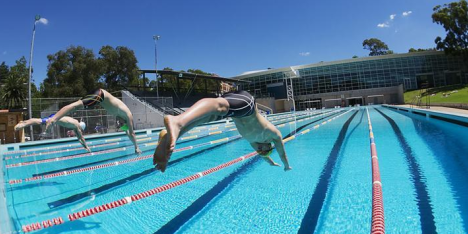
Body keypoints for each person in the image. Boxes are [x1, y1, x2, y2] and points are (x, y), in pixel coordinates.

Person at [153, 90, 292, 173]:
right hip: (247, 105)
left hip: (235, 112)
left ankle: (169, 137)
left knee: (204, 118)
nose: (260, 150)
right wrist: (286, 165)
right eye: (263, 149)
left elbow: (264, 156)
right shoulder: (272, 134)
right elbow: (282, 152)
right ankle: (177, 121)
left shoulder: (253, 143)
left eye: (260, 151)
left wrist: (271, 163)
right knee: (219, 106)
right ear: (269, 145)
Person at [45, 89, 141, 155]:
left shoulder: (122, 116)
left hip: (99, 96)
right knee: (75, 106)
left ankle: (54, 119)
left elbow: (127, 132)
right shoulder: (128, 115)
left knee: (75, 107)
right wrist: (136, 147)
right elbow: (131, 133)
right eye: (124, 124)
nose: (121, 124)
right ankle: (53, 119)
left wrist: (133, 142)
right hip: (100, 95)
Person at [15, 115, 90, 152]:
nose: (80, 131)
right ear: (81, 127)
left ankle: (25, 122)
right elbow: (81, 137)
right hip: (54, 119)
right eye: (81, 130)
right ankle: (24, 123)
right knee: (40, 122)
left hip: (55, 117)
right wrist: (86, 147)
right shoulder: (77, 127)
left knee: (40, 121)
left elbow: (79, 137)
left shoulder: (75, 123)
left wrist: (84, 146)